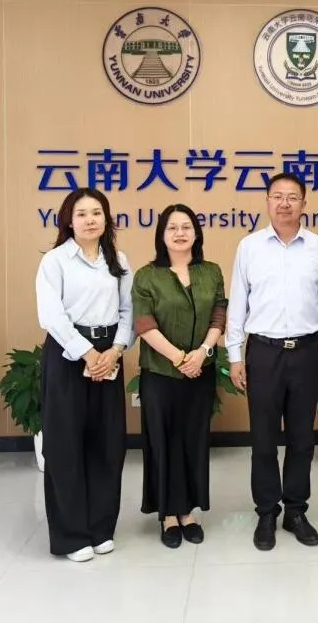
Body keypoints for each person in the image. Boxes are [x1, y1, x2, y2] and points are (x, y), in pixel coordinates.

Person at [226, 172, 318, 551]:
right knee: (263, 439)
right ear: (267, 201)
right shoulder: (249, 247)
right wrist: (235, 356)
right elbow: (238, 303)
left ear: (304, 203)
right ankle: (267, 512)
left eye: (292, 197)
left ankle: (296, 511)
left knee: (303, 439)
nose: (284, 203)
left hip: (306, 351)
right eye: (277, 196)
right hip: (264, 352)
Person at [35, 187, 134, 562]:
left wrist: (115, 350)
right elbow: (51, 315)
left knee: (107, 444)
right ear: (68, 220)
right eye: (81, 214)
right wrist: (88, 353)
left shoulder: (118, 260)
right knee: (65, 445)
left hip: (110, 353)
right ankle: (72, 535)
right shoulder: (55, 261)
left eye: (96, 213)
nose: (90, 220)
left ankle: (100, 528)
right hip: (68, 353)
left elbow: (128, 310)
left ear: (107, 219)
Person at [131, 204, 227, 548]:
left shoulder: (211, 271)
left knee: (193, 440)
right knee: (163, 441)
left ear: (197, 233)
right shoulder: (147, 275)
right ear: (161, 234)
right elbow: (144, 324)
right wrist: (179, 358)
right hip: (161, 373)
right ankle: (168, 514)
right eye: (172, 228)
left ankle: (187, 512)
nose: (180, 233)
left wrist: (202, 353)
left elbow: (219, 314)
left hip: (201, 371)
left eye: (186, 227)